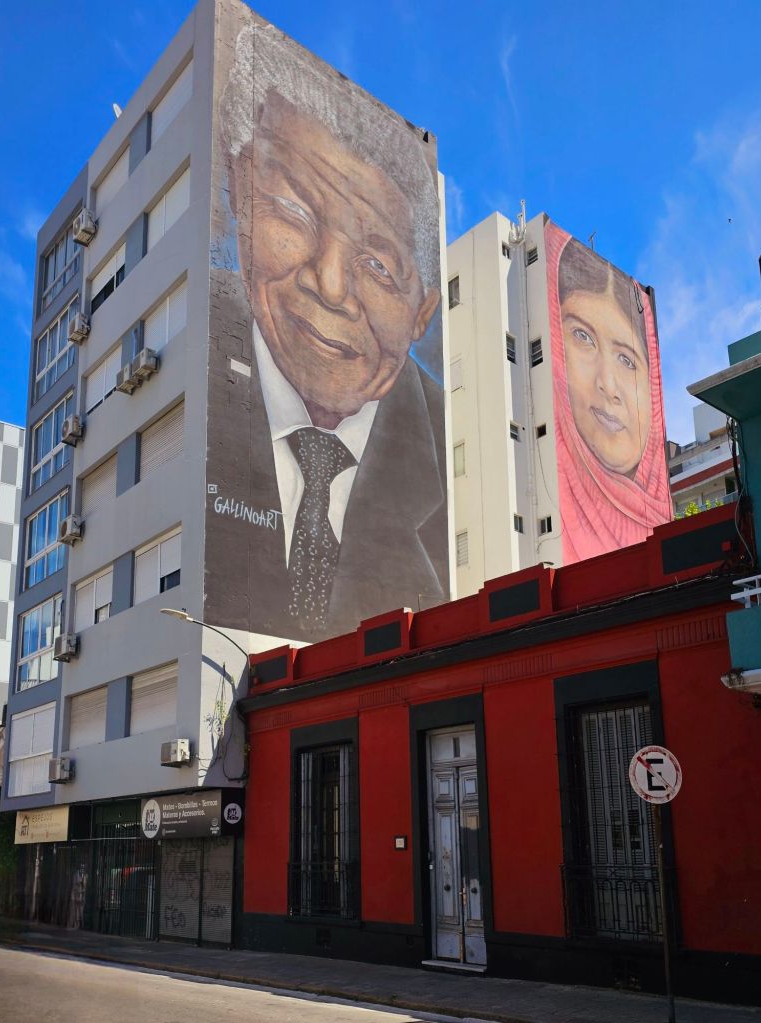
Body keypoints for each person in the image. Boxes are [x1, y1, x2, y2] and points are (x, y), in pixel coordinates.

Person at [209, 20, 448, 643]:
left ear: (422, 314)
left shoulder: (447, 444)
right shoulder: (187, 346)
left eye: (379, 265)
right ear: (239, 189)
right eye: (294, 212)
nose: (331, 285)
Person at [546, 224, 672, 562]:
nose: (609, 385)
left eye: (627, 360)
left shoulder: (668, 543)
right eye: (583, 337)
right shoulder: (550, 496)